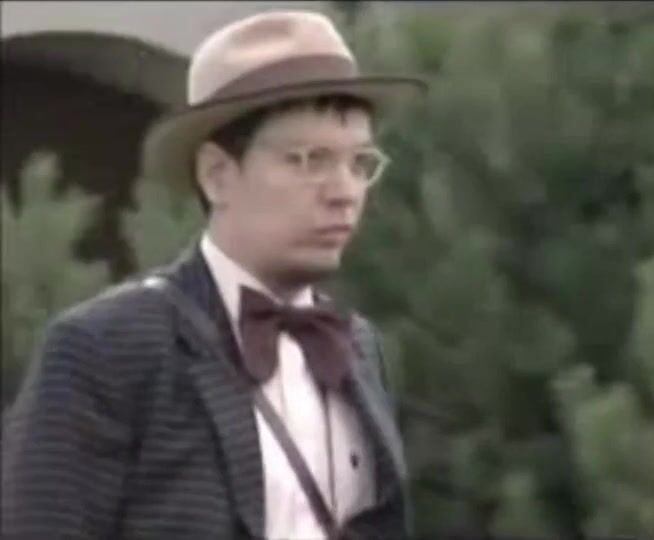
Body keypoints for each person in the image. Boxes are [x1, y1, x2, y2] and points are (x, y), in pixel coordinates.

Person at [2, 10, 426, 540]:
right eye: (309, 160)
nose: (344, 192)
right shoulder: (106, 346)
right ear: (217, 174)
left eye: (359, 163)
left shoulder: (357, 346)